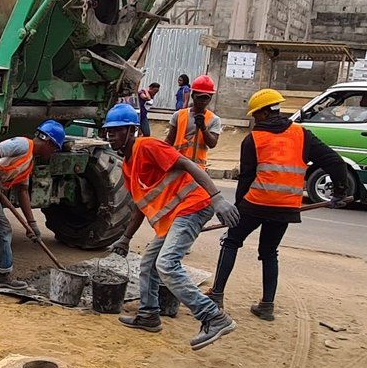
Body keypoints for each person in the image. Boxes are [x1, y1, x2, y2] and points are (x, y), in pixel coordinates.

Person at [209, 89, 353, 321]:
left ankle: (216, 295)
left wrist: (238, 208)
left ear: (266, 112)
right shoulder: (302, 134)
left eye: (257, 115)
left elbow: (246, 177)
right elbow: (335, 162)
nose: (255, 120)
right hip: (286, 207)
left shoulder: (253, 139)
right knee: (269, 252)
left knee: (231, 241)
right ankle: (267, 306)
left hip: (255, 203)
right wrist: (339, 192)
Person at [106, 102, 239, 349]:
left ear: (131, 130)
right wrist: (125, 238)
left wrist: (217, 197)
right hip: (174, 217)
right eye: (108, 131)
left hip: (193, 205)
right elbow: (140, 204)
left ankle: (213, 317)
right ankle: (148, 315)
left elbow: (187, 164)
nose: (110, 135)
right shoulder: (127, 165)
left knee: (166, 264)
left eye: (116, 130)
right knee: (148, 264)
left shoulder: (148, 146)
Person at [0, 120, 66, 289]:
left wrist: (32, 225)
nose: (53, 152)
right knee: (4, 230)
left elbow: (22, 191)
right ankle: (2, 275)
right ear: (47, 141)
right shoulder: (22, 145)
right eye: (54, 148)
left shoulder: (29, 162)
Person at [166, 74, 222, 164]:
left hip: (197, 170)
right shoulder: (178, 115)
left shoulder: (214, 120)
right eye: (199, 97)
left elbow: (212, 144)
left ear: (210, 98)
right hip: (177, 165)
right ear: (193, 96)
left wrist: (203, 128)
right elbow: (169, 141)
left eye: (206, 98)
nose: (202, 100)